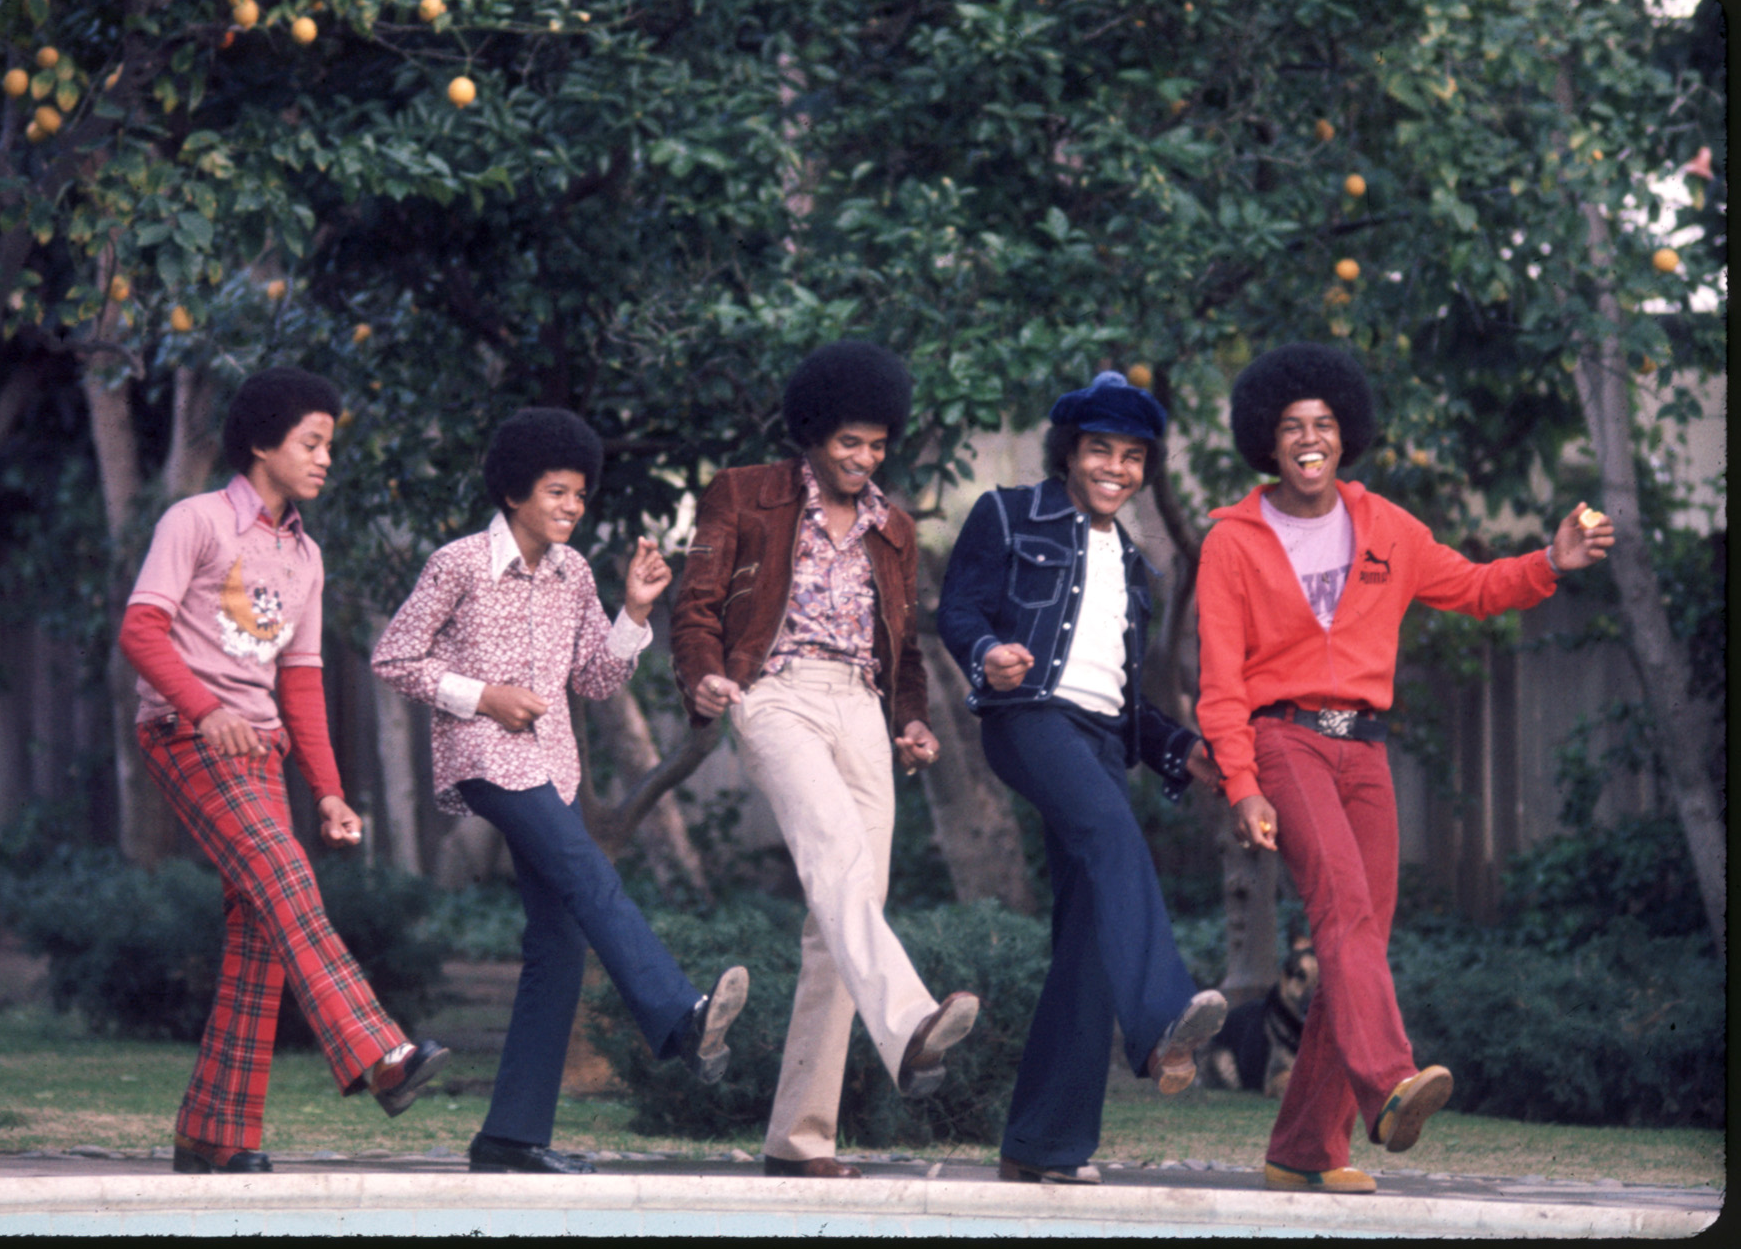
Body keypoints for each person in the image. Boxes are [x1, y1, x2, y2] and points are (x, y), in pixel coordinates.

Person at [1195, 342, 1615, 1195]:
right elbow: (1220, 684)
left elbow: (1475, 585)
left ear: (1345, 435)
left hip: (1366, 750)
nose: (1309, 439)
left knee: (1361, 943)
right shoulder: (1232, 542)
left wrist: (1551, 562)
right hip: (1286, 740)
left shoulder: (1386, 525)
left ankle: (1304, 1148)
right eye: (1290, 428)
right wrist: (1241, 785)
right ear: (1265, 443)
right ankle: (1389, 1082)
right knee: (1343, 910)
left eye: (1323, 425)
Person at [371, 407, 748, 1177]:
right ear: (514, 492)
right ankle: (678, 1016)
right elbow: (394, 656)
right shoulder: (459, 564)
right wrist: (484, 697)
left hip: (554, 766)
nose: (572, 506)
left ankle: (510, 1136)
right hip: (485, 756)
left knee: (558, 941)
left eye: (580, 493)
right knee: (587, 875)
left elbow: (596, 681)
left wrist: (635, 610)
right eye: (556, 491)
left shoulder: (574, 573)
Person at [117, 367, 449, 1176]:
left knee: (264, 928)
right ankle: (380, 1052)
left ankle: (213, 1133)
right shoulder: (195, 521)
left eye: (330, 444)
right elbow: (140, 630)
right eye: (312, 441)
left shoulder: (306, 556)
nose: (326, 457)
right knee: (285, 877)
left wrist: (329, 790)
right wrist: (206, 710)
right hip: (187, 735)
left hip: (259, 749)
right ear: (263, 442)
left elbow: (301, 680)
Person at [671, 340, 979, 1180]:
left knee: (841, 919)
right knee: (839, 865)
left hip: (861, 707)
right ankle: (912, 1021)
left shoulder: (895, 530)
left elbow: (903, 652)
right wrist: (702, 676)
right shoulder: (744, 493)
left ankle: (799, 1138)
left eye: (877, 444)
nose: (863, 458)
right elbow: (695, 604)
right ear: (812, 433)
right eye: (849, 442)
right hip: (772, 694)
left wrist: (911, 723)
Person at [936, 370, 1228, 1186]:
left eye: (1133, 457)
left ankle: (1044, 1143)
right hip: (1029, 718)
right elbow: (958, 610)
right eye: (1101, 449)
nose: (1117, 468)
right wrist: (987, 654)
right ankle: (1164, 1016)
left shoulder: (1135, 564)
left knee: (1089, 934)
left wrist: (1178, 749)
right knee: (1112, 837)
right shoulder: (1009, 513)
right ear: (1070, 452)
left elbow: (1127, 697)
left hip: (1101, 743)